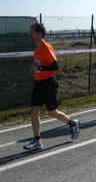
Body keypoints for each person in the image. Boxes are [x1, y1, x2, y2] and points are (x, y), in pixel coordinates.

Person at [24, 22, 80, 151]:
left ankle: (72, 123)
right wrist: (34, 69)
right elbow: (39, 66)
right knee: (34, 111)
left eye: (32, 32)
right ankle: (37, 141)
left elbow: (55, 67)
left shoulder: (46, 47)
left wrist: (40, 68)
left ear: (39, 34)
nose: (30, 34)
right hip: (38, 83)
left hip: (48, 83)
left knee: (52, 112)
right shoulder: (36, 49)